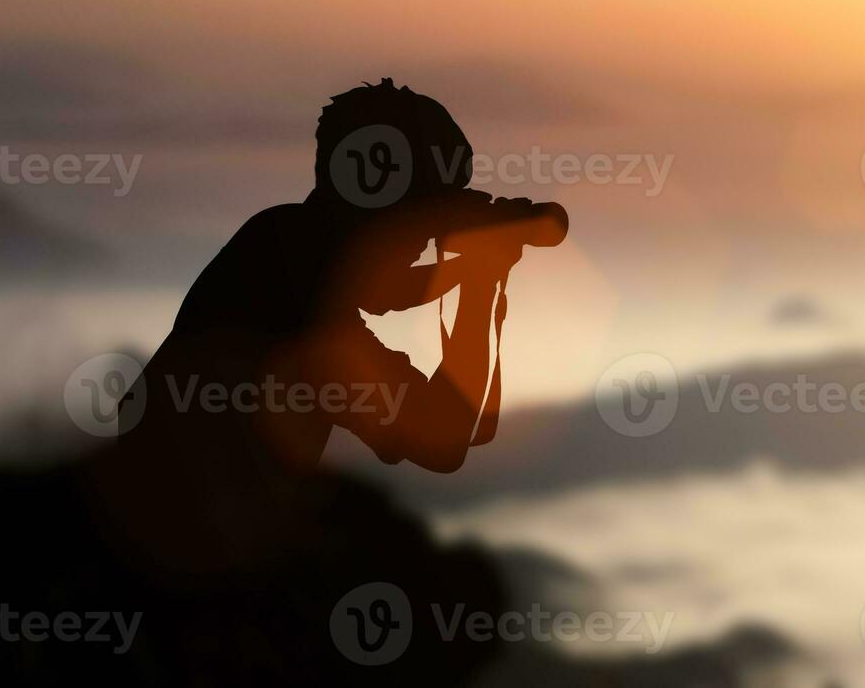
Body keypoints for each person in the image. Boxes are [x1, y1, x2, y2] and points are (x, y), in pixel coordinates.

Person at [101, 79, 567, 574]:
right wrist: (475, 281)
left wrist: (477, 275)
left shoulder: (278, 244)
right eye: (423, 215)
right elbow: (444, 439)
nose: (427, 235)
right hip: (188, 565)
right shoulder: (292, 278)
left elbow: (459, 414)